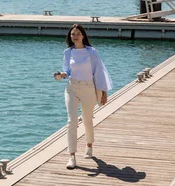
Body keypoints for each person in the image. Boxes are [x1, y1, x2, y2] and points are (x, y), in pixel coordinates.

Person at [54, 24, 113, 169]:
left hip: (88, 89)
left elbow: (99, 72)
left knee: (87, 119)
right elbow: (67, 71)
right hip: (71, 88)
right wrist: (61, 75)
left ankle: (89, 145)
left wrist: (103, 91)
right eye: (73, 34)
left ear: (83, 36)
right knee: (72, 121)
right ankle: (72, 156)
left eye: (78, 33)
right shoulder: (68, 52)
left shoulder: (92, 52)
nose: (75, 36)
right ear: (70, 36)